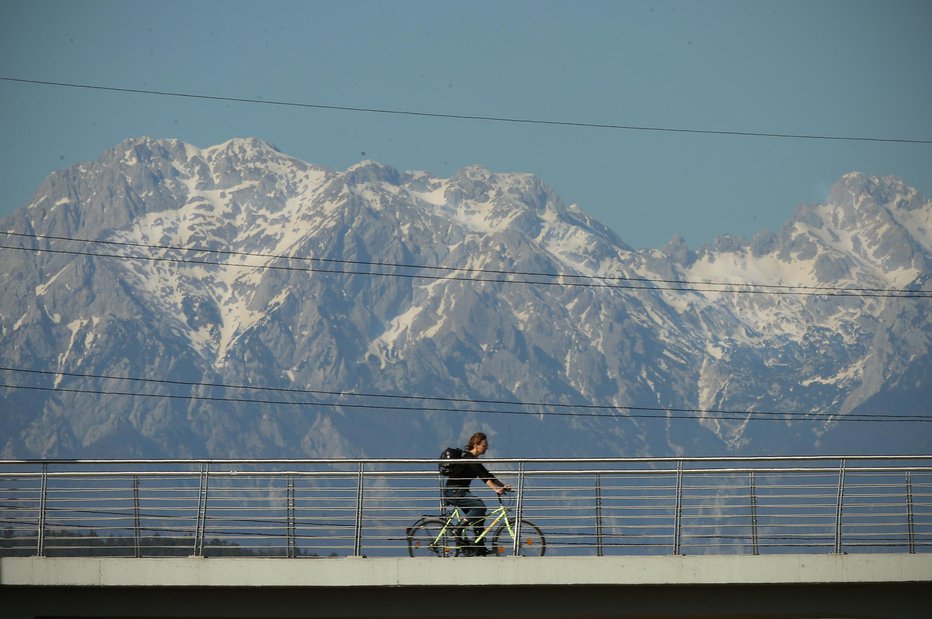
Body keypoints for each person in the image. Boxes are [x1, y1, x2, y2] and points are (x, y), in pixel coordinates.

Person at [442, 432, 510, 556]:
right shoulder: (469, 458)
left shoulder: (473, 460)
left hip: (459, 491)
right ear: (476, 445)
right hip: (454, 491)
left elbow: (487, 474)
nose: (487, 447)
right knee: (479, 506)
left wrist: (502, 486)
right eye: (484, 445)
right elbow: (484, 477)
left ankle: (479, 548)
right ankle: (458, 529)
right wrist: (495, 489)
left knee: (478, 517)